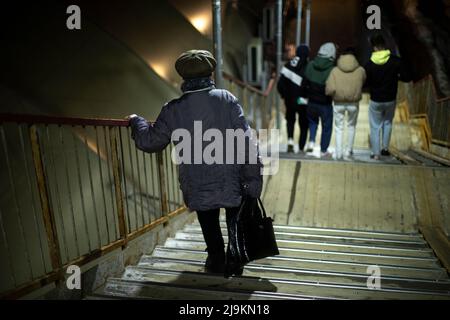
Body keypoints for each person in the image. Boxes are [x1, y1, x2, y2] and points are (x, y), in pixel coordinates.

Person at [127, 50, 263, 277]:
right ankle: (235, 260)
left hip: (197, 181)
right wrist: (252, 178)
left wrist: (136, 122)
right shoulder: (227, 100)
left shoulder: (173, 108)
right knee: (234, 218)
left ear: (183, 78)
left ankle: (216, 260)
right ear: (210, 73)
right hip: (230, 177)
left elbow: (150, 142)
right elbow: (246, 143)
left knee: (208, 220)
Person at [365, 33, 412, 160]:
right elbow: (407, 76)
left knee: (375, 126)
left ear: (374, 47)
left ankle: (376, 153)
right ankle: (385, 149)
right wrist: (397, 76)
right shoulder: (395, 61)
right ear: (384, 45)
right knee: (387, 123)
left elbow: (366, 83)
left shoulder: (369, 64)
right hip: (390, 98)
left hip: (375, 99)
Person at [326, 47, 366, 160]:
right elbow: (363, 81)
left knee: (339, 128)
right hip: (353, 103)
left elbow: (330, 88)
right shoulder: (360, 70)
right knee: (351, 126)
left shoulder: (334, 70)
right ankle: (348, 151)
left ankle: (338, 153)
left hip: (338, 103)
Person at [301, 42, 337, 158]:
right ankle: (323, 150)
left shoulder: (311, 65)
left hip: (311, 102)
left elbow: (304, 83)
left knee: (312, 123)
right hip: (325, 103)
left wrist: (305, 96)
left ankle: (311, 142)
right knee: (326, 127)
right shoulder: (332, 69)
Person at [277, 45, 310, 154]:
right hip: (302, 100)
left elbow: (280, 84)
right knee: (303, 123)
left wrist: (284, 95)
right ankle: (301, 147)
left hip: (290, 99)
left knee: (290, 120)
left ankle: (290, 141)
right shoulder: (308, 66)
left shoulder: (288, 65)